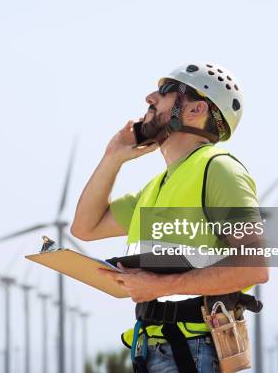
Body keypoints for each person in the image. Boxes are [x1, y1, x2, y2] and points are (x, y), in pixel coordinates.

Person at [71, 63, 268, 373]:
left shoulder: (219, 170)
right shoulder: (156, 187)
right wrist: (113, 157)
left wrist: (159, 287)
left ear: (195, 109)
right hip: (152, 348)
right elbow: (84, 227)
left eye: (164, 92)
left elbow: (255, 266)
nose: (150, 97)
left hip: (192, 350)